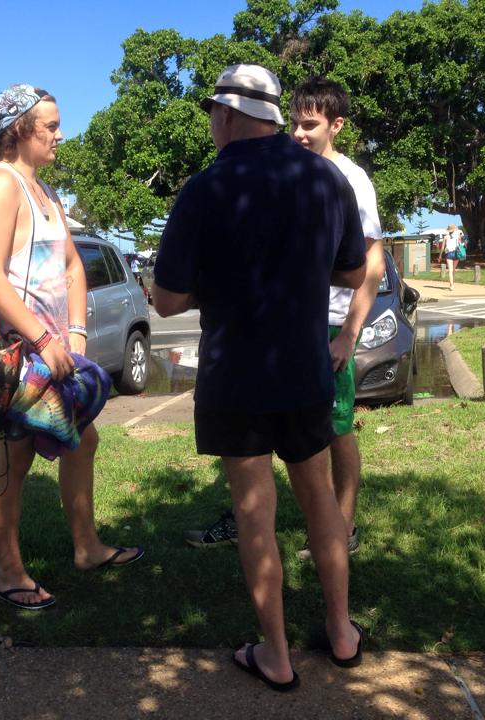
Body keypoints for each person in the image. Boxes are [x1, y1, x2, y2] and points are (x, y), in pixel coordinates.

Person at [154, 64, 367, 691]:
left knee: (255, 511)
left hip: (236, 376)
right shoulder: (327, 178)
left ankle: (275, 654)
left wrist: (222, 287)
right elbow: (354, 274)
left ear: (224, 115)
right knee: (319, 497)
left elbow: (165, 301)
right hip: (305, 368)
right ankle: (342, 631)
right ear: (273, 116)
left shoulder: (205, 188)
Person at [184, 76, 387, 560]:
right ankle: (246, 518)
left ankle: (345, 525)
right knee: (256, 438)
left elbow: (370, 266)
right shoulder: (283, 173)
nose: (299, 132)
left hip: (333, 326)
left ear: (337, 125)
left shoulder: (349, 179)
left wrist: (350, 334)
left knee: (334, 429)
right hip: (283, 330)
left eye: (311, 124)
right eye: (294, 121)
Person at [0, 84, 143, 611]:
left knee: (83, 443)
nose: (60, 135)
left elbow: (72, 266)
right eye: (50, 125)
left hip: (53, 350)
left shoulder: (44, 191)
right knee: (13, 460)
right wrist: (43, 339)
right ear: (19, 130)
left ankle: (87, 548)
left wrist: (75, 335)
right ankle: (8, 572)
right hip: (17, 351)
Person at [436, 223, 465, 290]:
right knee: (453, 270)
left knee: (450, 270)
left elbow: (442, 247)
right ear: (454, 229)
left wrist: (440, 255)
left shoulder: (445, 237)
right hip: (456, 253)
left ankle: (451, 285)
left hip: (449, 253)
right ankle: (452, 284)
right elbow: (461, 237)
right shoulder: (457, 236)